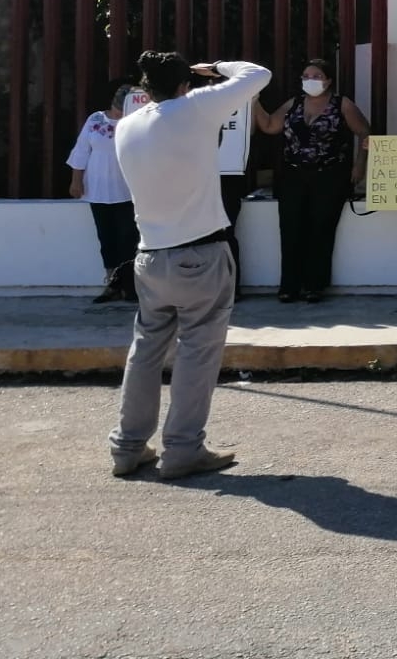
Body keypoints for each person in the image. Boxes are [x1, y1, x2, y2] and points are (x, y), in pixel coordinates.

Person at [108, 50, 271, 480]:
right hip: (201, 253)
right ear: (185, 85)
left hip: (150, 255)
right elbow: (258, 73)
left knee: (145, 352)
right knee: (198, 354)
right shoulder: (196, 107)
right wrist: (214, 69)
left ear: (145, 89)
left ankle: (127, 446)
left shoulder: (126, 125)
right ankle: (182, 449)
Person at [254, 59, 370, 303]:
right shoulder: (293, 104)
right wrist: (253, 100)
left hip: (330, 174)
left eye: (316, 76)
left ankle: (314, 286)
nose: (310, 80)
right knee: (290, 228)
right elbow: (269, 125)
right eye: (306, 75)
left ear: (328, 80)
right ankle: (289, 286)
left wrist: (360, 164)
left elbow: (365, 133)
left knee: (321, 228)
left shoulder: (342, 104)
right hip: (293, 175)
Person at [68, 78, 141, 305]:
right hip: (98, 190)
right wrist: (76, 181)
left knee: (128, 238)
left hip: (126, 190)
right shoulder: (95, 119)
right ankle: (112, 285)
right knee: (106, 238)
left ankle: (131, 286)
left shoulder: (137, 122)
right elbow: (81, 151)